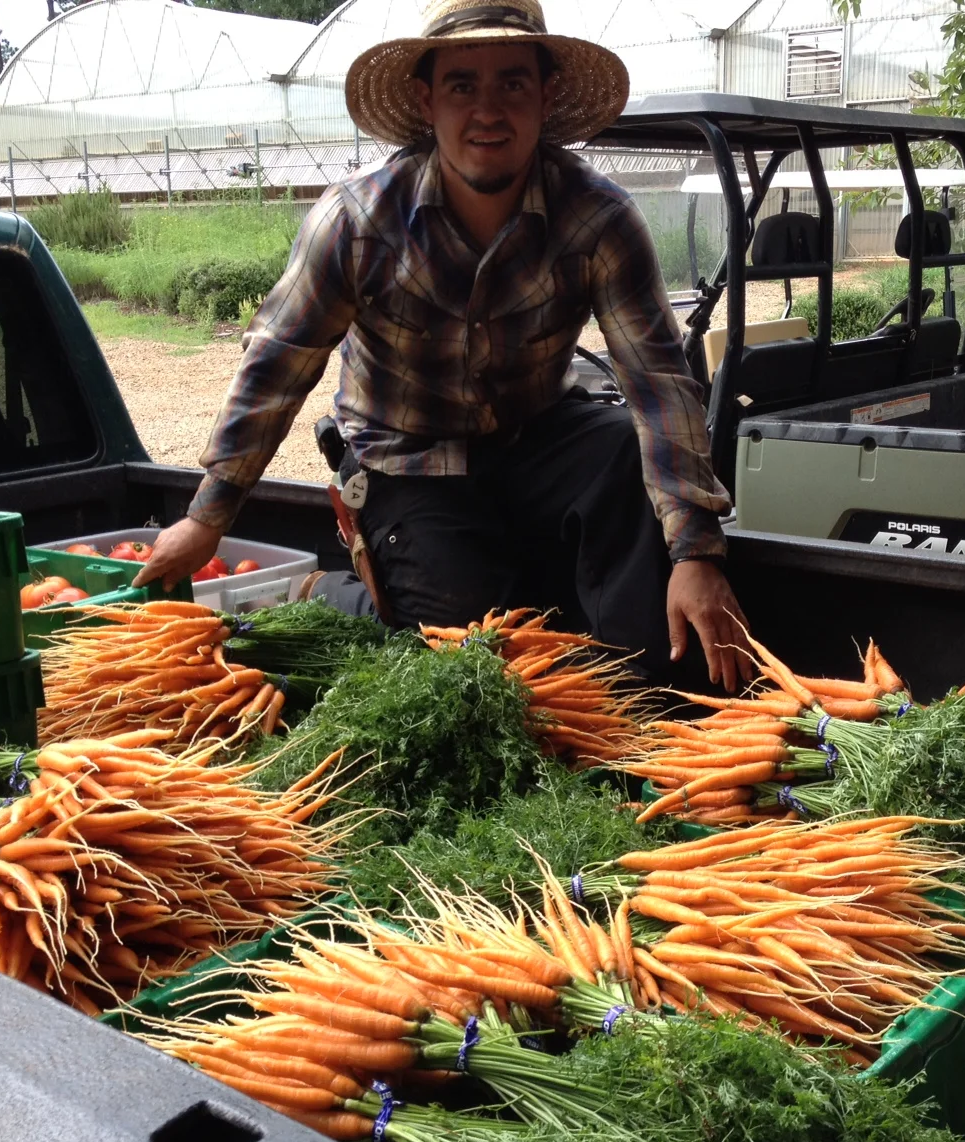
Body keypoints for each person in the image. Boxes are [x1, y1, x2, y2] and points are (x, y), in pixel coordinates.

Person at [135, 0, 752, 689]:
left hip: (533, 437)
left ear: (545, 97)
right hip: (408, 460)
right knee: (471, 664)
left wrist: (696, 552)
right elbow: (279, 367)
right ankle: (353, 599)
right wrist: (206, 519)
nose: (488, 111)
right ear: (427, 101)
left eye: (512, 84)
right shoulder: (358, 223)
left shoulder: (598, 219)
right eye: (463, 86)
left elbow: (659, 379)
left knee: (617, 444)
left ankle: (643, 707)